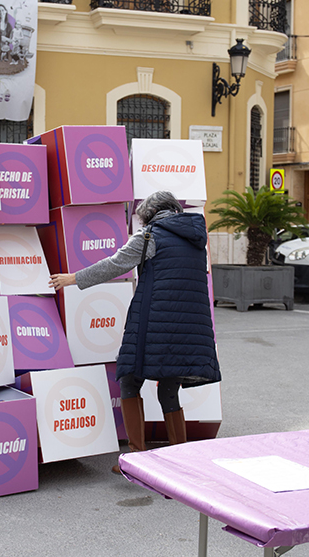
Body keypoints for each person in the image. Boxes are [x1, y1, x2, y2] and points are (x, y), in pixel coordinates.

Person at [49, 191, 221, 473]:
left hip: (155, 323)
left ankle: (136, 457)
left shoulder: (150, 236)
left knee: (130, 379)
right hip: (190, 328)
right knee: (169, 387)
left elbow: (115, 264)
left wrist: (73, 278)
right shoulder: (195, 239)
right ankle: (180, 459)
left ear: (150, 214)